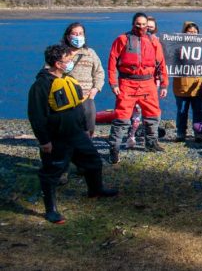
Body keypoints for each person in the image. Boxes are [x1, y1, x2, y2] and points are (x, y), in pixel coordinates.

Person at [28, 44, 117, 223]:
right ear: (57, 63)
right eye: (67, 61)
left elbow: (78, 107)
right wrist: (44, 141)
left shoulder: (69, 80)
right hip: (56, 137)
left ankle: (95, 190)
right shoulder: (41, 85)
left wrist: (85, 128)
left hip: (76, 133)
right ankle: (50, 210)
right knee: (52, 172)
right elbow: (36, 115)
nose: (70, 63)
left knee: (93, 161)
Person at [107, 12, 169, 164]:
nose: (141, 27)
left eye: (143, 24)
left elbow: (161, 64)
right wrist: (113, 83)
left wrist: (164, 84)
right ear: (133, 23)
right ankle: (114, 149)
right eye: (138, 24)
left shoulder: (154, 41)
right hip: (127, 83)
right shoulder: (122, 39)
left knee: (153, 115)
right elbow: (112, 62)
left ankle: (151, 143)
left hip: (148, 83)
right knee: (121, 118)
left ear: (147, 25)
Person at [60, 22, 104, 138]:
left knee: (88, 128)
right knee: (67, 129)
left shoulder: (90, 53)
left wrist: (96, 89)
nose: (78, 36)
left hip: (86, 97)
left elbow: (99, 72)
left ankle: (86, 150)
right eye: (74, 34)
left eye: (80, 33)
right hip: (66, 97)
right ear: (68, 36)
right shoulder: (60, 53)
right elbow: (48, 72)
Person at [173, 21, 202, 142]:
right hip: (181, 85)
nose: (192, 34)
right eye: (189, 32)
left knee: (198, 111)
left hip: (198, 85)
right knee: (182, 111)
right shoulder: (177, 46)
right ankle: (181, 133)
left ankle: (198, 133)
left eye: (195, 32)